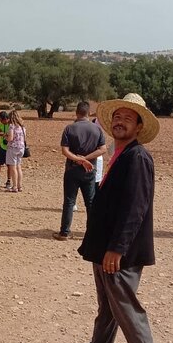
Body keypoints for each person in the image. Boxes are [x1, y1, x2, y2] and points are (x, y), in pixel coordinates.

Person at [77, 92, 159, 343]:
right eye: (117, 117)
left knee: (127, 311)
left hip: (119, 255)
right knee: (109, 310)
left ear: (139, 126)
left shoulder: (137, 158)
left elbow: (135, 208)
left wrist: (117, 249)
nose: (120, 122)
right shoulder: (120, 155)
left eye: (128, 118)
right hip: (105, 249)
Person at [53, 102, 106, 240]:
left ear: (77, 112)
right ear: (88, 113)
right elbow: (103, 149)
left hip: (72, 170)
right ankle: (92, 233)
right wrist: (86, 159)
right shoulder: (97, 129)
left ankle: (64, 232)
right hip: (89, 171)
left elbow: (65, 150)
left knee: (69, 201)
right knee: (90, 202)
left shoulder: (69, 128)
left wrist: (78, 159)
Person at [75, 117, 105, 212]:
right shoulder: (96, 124)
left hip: (89, 158)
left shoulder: (99, 123)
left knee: (94, 182)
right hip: (93, 158)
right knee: (91, 183)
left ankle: (94, 205)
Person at [4, 110, 26, 192]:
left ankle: (14, 186)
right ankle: (20, 186)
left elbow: (10, 138)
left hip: (13, 148)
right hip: (21, 148)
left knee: (13, 167)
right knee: (19, 166)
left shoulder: (11, 126)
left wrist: (5, 136)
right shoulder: (22, 127)